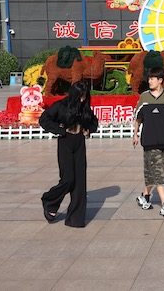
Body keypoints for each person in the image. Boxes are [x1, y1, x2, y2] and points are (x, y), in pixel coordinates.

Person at [38, 79, 99, 227]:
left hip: (79, 143)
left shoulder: (85, 107)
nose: (82, 99)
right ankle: (50, 201)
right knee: (68, 179)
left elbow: (94, 122)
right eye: (80, 96)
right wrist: (60, 130)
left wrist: (88, 130)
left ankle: (75, 219)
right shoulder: (61, 106)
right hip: (65, 142)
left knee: (80, 183)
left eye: (84, 96)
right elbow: (44, 119)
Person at [132, 51, 164, 217]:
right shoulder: (144, 97)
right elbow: (138, 118)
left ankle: (144, 196)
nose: (150, 81)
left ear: (160, 80)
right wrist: (135, 134)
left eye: (152, 78)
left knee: (153, 171)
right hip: (149, 140)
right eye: (149, 78)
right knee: (159, 173)